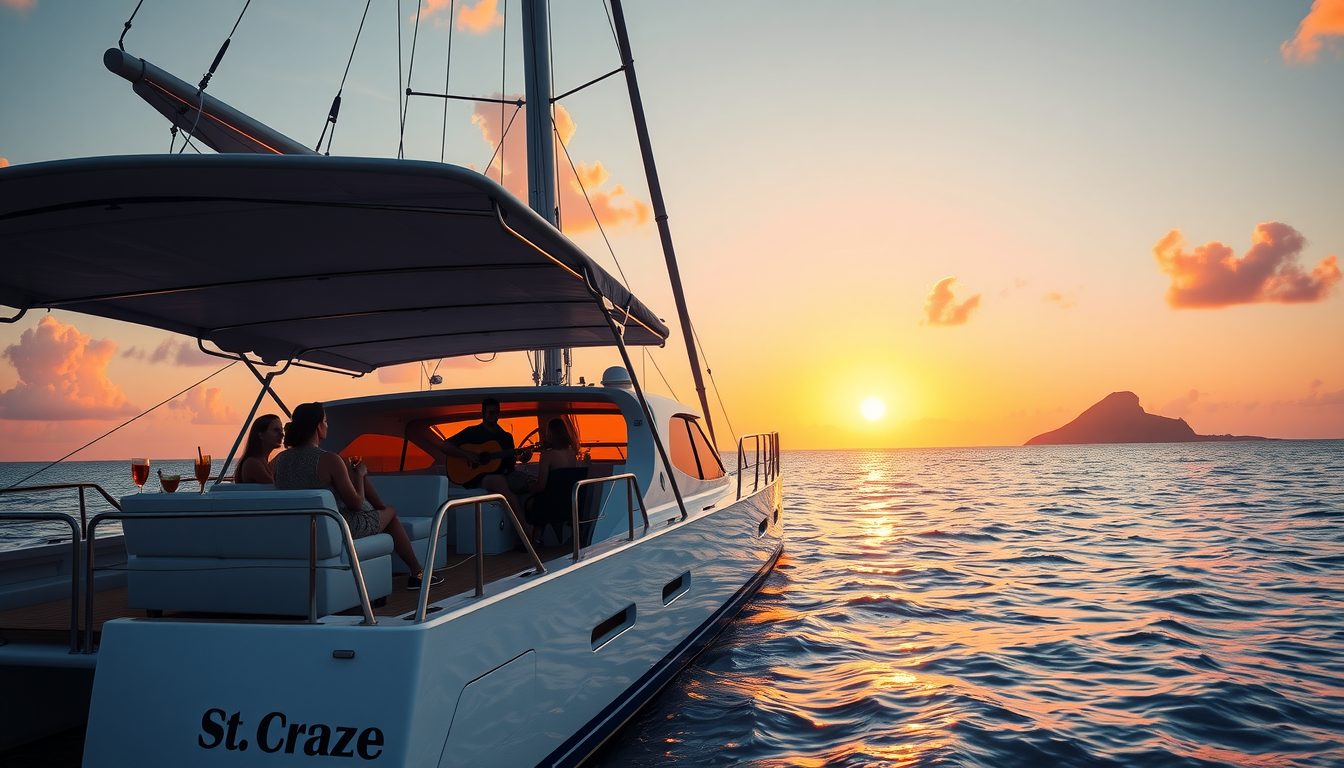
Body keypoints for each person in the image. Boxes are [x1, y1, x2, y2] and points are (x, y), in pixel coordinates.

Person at [274, 402, 441, 590]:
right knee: (391, 512)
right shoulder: (329, 459)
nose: (328, 426)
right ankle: (417, 573)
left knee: (380, 508)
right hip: (339, 527)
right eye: (326, 422)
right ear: (318, 427)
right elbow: (355, 504)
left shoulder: (280, 461)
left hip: (299, 529)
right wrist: (360, 476)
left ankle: (407, 570)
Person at [441, 397, 532, 521]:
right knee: (498, 480)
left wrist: (522, 457)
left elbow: (510, 464)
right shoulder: (472, 432)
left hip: (502, 475)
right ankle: (526, 530)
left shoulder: (506, 437)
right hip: (475, 477)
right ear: (483, 413)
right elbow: (445, 446)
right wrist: (467, 454)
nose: (493, 416)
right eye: (490, 412)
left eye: (495, 413)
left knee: (529, 483)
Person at [523, 418, 581, 544]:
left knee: (528, 501)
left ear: (551, 434)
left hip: (550, 504)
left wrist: (529, 486)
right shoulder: (572, 453)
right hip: (568, 502)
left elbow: (541, 486)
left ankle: (530, 538)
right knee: (542, 499)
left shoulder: (547, 455)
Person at [234, 414, 283, 484]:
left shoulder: (264, 462)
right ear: (261, 435)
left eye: (282, 430)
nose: (282, 434)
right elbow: (274, 487)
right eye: (276, 430)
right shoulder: (252, 463)